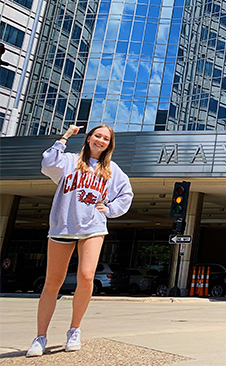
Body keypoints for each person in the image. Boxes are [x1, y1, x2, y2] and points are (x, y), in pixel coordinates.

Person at [26, 124, 133, 357]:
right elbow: (47, 164)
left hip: (92, 227)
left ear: (109, 144)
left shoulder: (112, 169)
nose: (101, 140)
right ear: (88, 138)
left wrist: (110, 208)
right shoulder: (68, 160)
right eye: (97, 135)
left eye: (106, 138)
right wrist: (65, 136)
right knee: (53, 281)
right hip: (62, 226)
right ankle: (40, 337)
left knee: (86, 277)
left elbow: (126, 194)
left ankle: (74, 330)